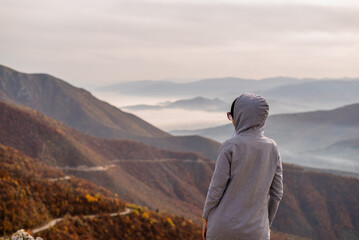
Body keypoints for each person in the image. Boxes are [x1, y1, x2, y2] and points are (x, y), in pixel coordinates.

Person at [202, 93, 283, 240]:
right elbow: (277, 193)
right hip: (256, 231)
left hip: (222, 229)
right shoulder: (272, 148)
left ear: (240, 116)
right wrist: (265, 224)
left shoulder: (230, 146)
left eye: (231, 116)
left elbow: (216, 188)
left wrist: (206, 217)